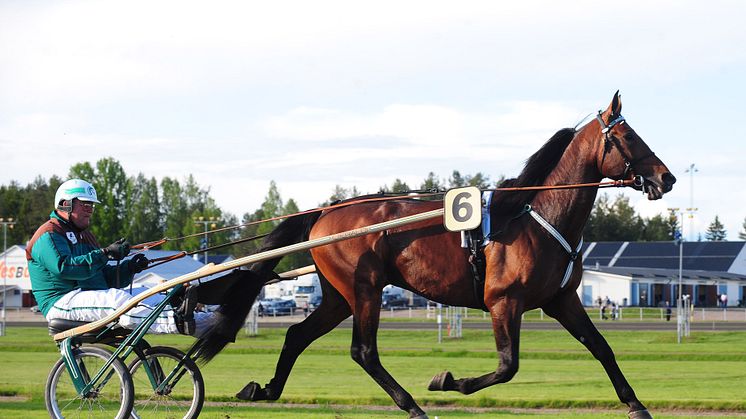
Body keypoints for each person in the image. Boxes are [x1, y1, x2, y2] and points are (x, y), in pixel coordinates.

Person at [26, 179, 216, 337]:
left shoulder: (86, 236)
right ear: (65, 204)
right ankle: (178, 323)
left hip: (86, 295)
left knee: (146, 292)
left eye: (91, 205)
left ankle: (206, 322)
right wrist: (105, 253)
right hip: (60, 301)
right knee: (118, 300)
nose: (90, 209)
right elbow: (65, 268)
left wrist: (129, 268)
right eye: (84, 204)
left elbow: (101, 276)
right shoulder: (49, 234)